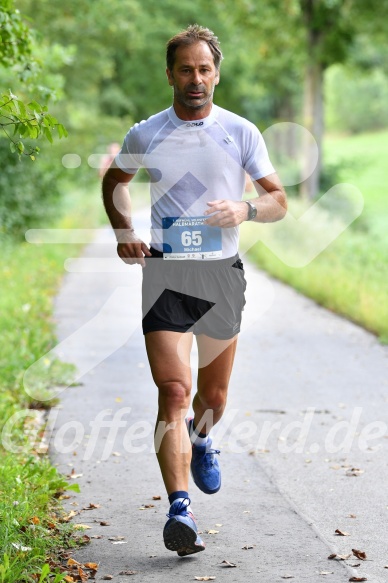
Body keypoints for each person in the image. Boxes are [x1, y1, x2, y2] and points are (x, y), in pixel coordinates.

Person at [102, 24, 287, 557]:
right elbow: (115, 181)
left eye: (204, 69)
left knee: (212, 399)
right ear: (170, 75)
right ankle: (179, 509)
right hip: (165, 274)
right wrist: (123, 234)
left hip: (220, 274)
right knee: (174, 393)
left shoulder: (241, 131)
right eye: (185, 69)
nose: (196, 79)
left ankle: (203, 439)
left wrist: (244, 208)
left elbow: (278, 200)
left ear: (217, 74)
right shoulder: (147, 134)